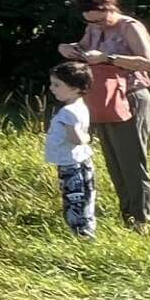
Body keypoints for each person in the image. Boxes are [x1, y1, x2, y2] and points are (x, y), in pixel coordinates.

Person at [59, 0, 150, 231]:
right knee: (115, 165)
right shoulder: (93, 29)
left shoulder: (130, 27)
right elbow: (82, 47)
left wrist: (108, 58)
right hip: (103, 101)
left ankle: (142, 221)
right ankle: (128, 219)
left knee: (132, 164)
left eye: (100, 19)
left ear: (111, 7)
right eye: (90, 21)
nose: (96, 25)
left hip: (131, 98)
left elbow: (149, 63)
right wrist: (69, 49)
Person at [45, 61, 98, 239]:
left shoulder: (67, 112)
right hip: (80, 160)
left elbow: (76, 138)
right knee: (86, 195)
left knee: (74, 199)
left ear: (75, 88)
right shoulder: (81, 106)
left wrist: (87, 138)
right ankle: (87, 230)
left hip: (70, 163)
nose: (52, 88)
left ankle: (81, 235)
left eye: (57, 85)